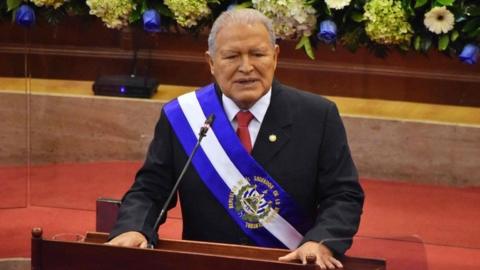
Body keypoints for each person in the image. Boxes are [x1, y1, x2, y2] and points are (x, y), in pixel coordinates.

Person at [108, 8, 364, 270]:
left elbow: (343, 195)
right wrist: (134, 229)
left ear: (275, 56)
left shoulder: (317, 116)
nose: (246, 67)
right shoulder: (183, 116)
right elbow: (151, 189)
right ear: (211, 62)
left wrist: (320, 242)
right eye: (231, 56)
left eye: (258, 54)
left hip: (291, 264)